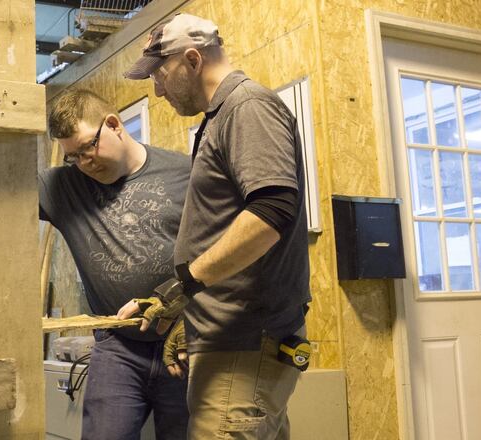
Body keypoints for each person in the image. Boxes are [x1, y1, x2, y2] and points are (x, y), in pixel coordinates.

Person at [0, 90, 191, 440]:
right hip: (118, 346)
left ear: (113, 125)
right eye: (73, 157)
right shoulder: (66, 187)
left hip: (184, 339)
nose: (84, 163)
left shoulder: (185, 173)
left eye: (88, 148)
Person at [117, 13, 312, 440]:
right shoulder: (220, 116)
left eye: (159, 73)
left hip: (245, 343)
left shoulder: (247, 106)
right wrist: (193, 318)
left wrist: (182, 288)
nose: (157, 88)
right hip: (231, 341)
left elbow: (271, 212)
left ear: (191, 59)